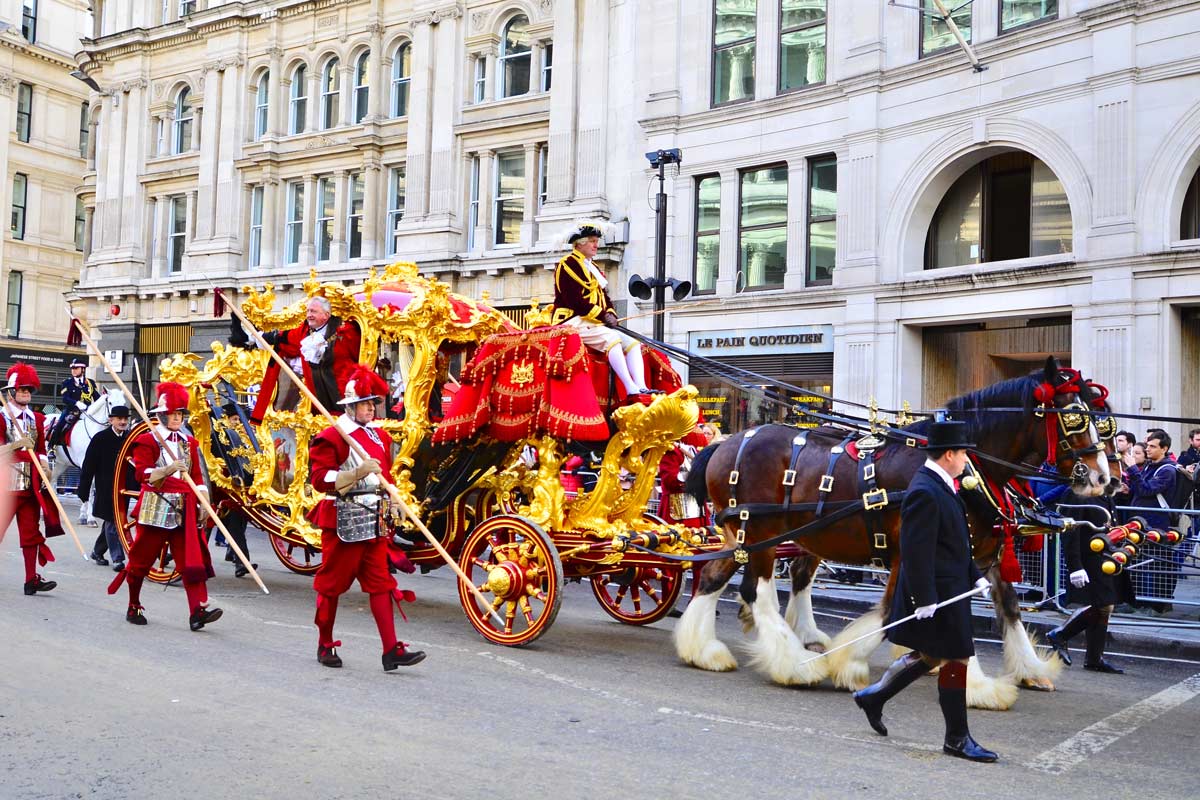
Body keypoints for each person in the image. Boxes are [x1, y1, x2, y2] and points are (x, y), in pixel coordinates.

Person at [852, 419, 997, 763]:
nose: (966, 460)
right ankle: (957, 739)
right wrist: (924, 600)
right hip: (936, 594)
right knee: (956, 657)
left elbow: (956, 541)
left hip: (951, 588)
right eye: (963, 453)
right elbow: (916, 552)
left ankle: (874, 697)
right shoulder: (925, 491)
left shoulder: (942, 484)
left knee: (933, 655)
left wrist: (975, 575)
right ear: (948, 454)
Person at [309, 365, 425, 672]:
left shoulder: (379, 436)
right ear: (350, 405)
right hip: (343, 519)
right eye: (365, 403)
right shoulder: (332, 437)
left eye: (374, 402)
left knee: (381, 584)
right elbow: (320, 479)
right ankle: (325, 643)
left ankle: (391, 650)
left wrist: (397, 499)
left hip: (374, 519)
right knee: (331, 586)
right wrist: (356, 472)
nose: (371, 407)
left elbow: (384, 477)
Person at [109, 382, 221, 630]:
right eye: (173, 414)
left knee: (190, 562)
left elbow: (198, 476)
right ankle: (133, 603)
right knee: (140, 561)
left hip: (185, 508)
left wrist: (203, 499)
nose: (177, 418)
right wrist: (168, 468)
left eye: (180, 414)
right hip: (157, 507)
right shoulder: (148, 440)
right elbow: (142, 475)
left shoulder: (189, 442)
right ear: (161, 415)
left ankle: (197, 612)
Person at [550, 222, 658, 401]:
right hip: (572, 320)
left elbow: (605, 298)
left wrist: (611, 315)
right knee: (612, 339)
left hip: (592, 322)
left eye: (596, 241)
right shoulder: (567, 264)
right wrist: (603, 316)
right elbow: (575, 301)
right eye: (592, 241)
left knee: (633, 343)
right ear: (579, 244)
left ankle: (641, 386)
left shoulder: (592, 267)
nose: (596, 245)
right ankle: (630, 387)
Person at [239, 295, 362, 422]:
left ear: (326, 314)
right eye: (308, 311)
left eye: (313, 311)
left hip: (345, 398)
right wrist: (252, 337)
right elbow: (282, 338)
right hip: (317, 402)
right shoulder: (304, 332)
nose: (309, 315)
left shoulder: (346, 332)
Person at [0, 363, 65, 595]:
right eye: (22, 389)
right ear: (11, 392)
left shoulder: (37, 418)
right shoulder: (2, 417)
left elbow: (40, 449)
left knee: (30, 534)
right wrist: (15, 444)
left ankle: (31, 580)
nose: (26, 393)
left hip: (30, 486)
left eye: (29, 389)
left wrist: (46, 467)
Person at [1043, 488, 1125, 673]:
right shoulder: (1078, 492)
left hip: (1105, 557)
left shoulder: (1105, 491)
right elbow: (1070, 532)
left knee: (1105, 606)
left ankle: (1094, 658)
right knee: (1103, 605)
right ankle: (1060, 634)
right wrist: (1075, 566)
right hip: (1088, 558)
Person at [1125, 431, 1181, 613]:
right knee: (1137, 563)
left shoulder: (1167, 470)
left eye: (1152, 446)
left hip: (1157, 525)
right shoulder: (1150, 466)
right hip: (1142, 523)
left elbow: (1147, 490)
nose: (1147, 449)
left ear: (1164, 449)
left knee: (1156, 566)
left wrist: (1133, 469)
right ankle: (1138, 602)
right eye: (1147, 445)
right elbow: (1140, 489)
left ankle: (1156, 606)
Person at [77, 404, 132, 572]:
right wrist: (84, 489)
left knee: (112, 521)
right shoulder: (100, 438)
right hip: (106, 487)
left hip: (124, 487)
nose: (123, 422)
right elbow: (88, 465)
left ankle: (97, 551)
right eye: (119, 419)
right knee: (113, 521)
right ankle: (118, 558)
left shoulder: (130, 438)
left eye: (125, 419)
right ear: (111, 420)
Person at [49, 358, 101, 449]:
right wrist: (77, 403)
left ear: (83, 369)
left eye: (76, 368)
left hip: (87, 412)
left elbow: (97, 398)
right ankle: (51, 447)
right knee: (60, 425)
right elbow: (65, 399)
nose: (73, 370)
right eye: (72, 368)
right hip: (71, 411)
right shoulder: (67, 382)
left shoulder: (90, 383)